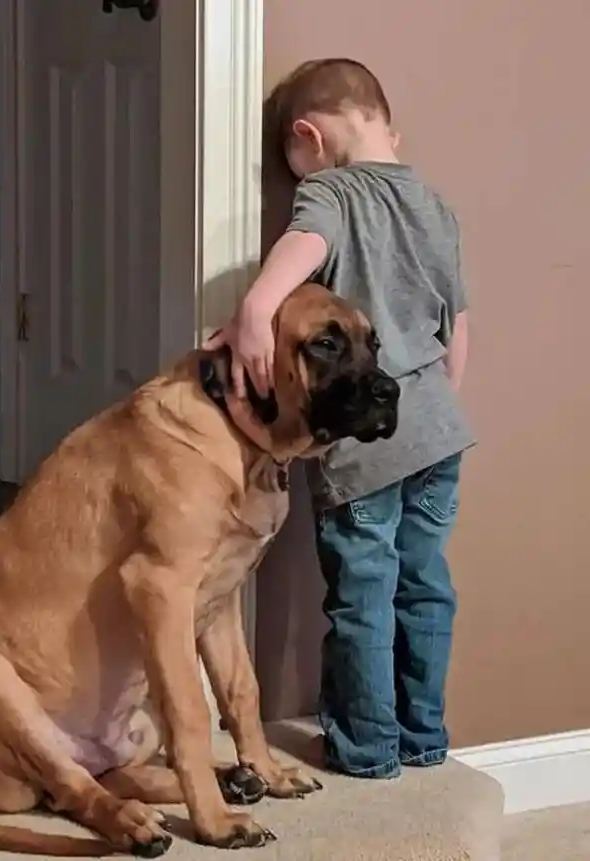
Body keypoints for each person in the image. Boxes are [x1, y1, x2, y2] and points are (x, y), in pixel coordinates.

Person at [204, 58, 475, 779]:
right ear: (390, 126)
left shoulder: (332, 192)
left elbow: (307, 246)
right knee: (425, 583)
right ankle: (424, 736)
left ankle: (367, 747)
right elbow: (459, 334)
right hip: (442, 431)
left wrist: (257, 308)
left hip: (368, 449)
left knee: (364, 590)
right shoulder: (435, 203)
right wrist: (433, 408)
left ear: (309, 139)